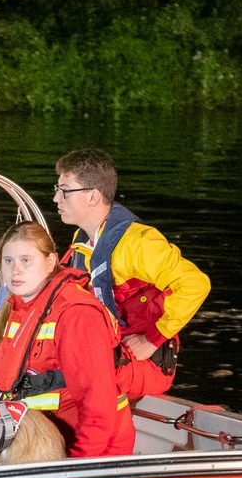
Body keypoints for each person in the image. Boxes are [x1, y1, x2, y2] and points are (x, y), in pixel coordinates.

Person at [54, 148, 210, 399]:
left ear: (93, 196)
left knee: (71, 381)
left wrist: (151, 340)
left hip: (144, 362)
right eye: (57, 190)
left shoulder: (139, 242)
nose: (56, 199)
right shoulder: (82, 240)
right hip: (110, 352)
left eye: (64, 191)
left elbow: (195, 283)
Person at [0, 221, 136, 457]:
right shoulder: (15, 311)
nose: (16, 271)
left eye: (26, 260)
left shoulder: (76, 314)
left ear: (50, 262)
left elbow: (99, 406)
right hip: (33, 443)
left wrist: (75, 466)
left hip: (84, 448)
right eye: (8, 261)